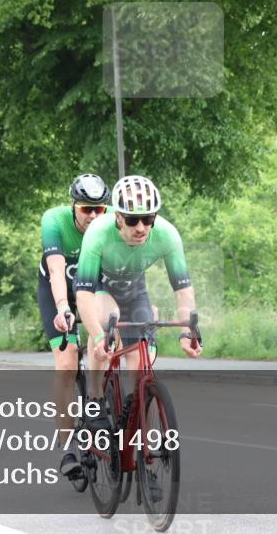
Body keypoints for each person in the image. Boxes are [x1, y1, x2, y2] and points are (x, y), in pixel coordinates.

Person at [75, 175, 202, 427]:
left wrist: (188, 330)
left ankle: (133, 419)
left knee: (141, 364)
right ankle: (95, 398)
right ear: (118, 217)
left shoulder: (167, 235)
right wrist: (99, 337)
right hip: (100, 288)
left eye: (148, 219)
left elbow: (183, 290)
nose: (141, 228)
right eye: (133, 220)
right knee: (104, 320)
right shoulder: (98, 232)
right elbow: (84, 294)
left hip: (134, 291)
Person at [38, 173, 110, 477]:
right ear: (73, 206)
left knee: (103, 343)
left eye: (99, 209)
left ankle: (97, 402)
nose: (93, 216)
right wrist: (63, 308)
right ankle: (67, 447)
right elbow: (56, 271)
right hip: (57, 289)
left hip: (93, 288)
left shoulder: (111, 224)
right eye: (86, 209)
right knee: (67, 363)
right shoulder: (54, 221)